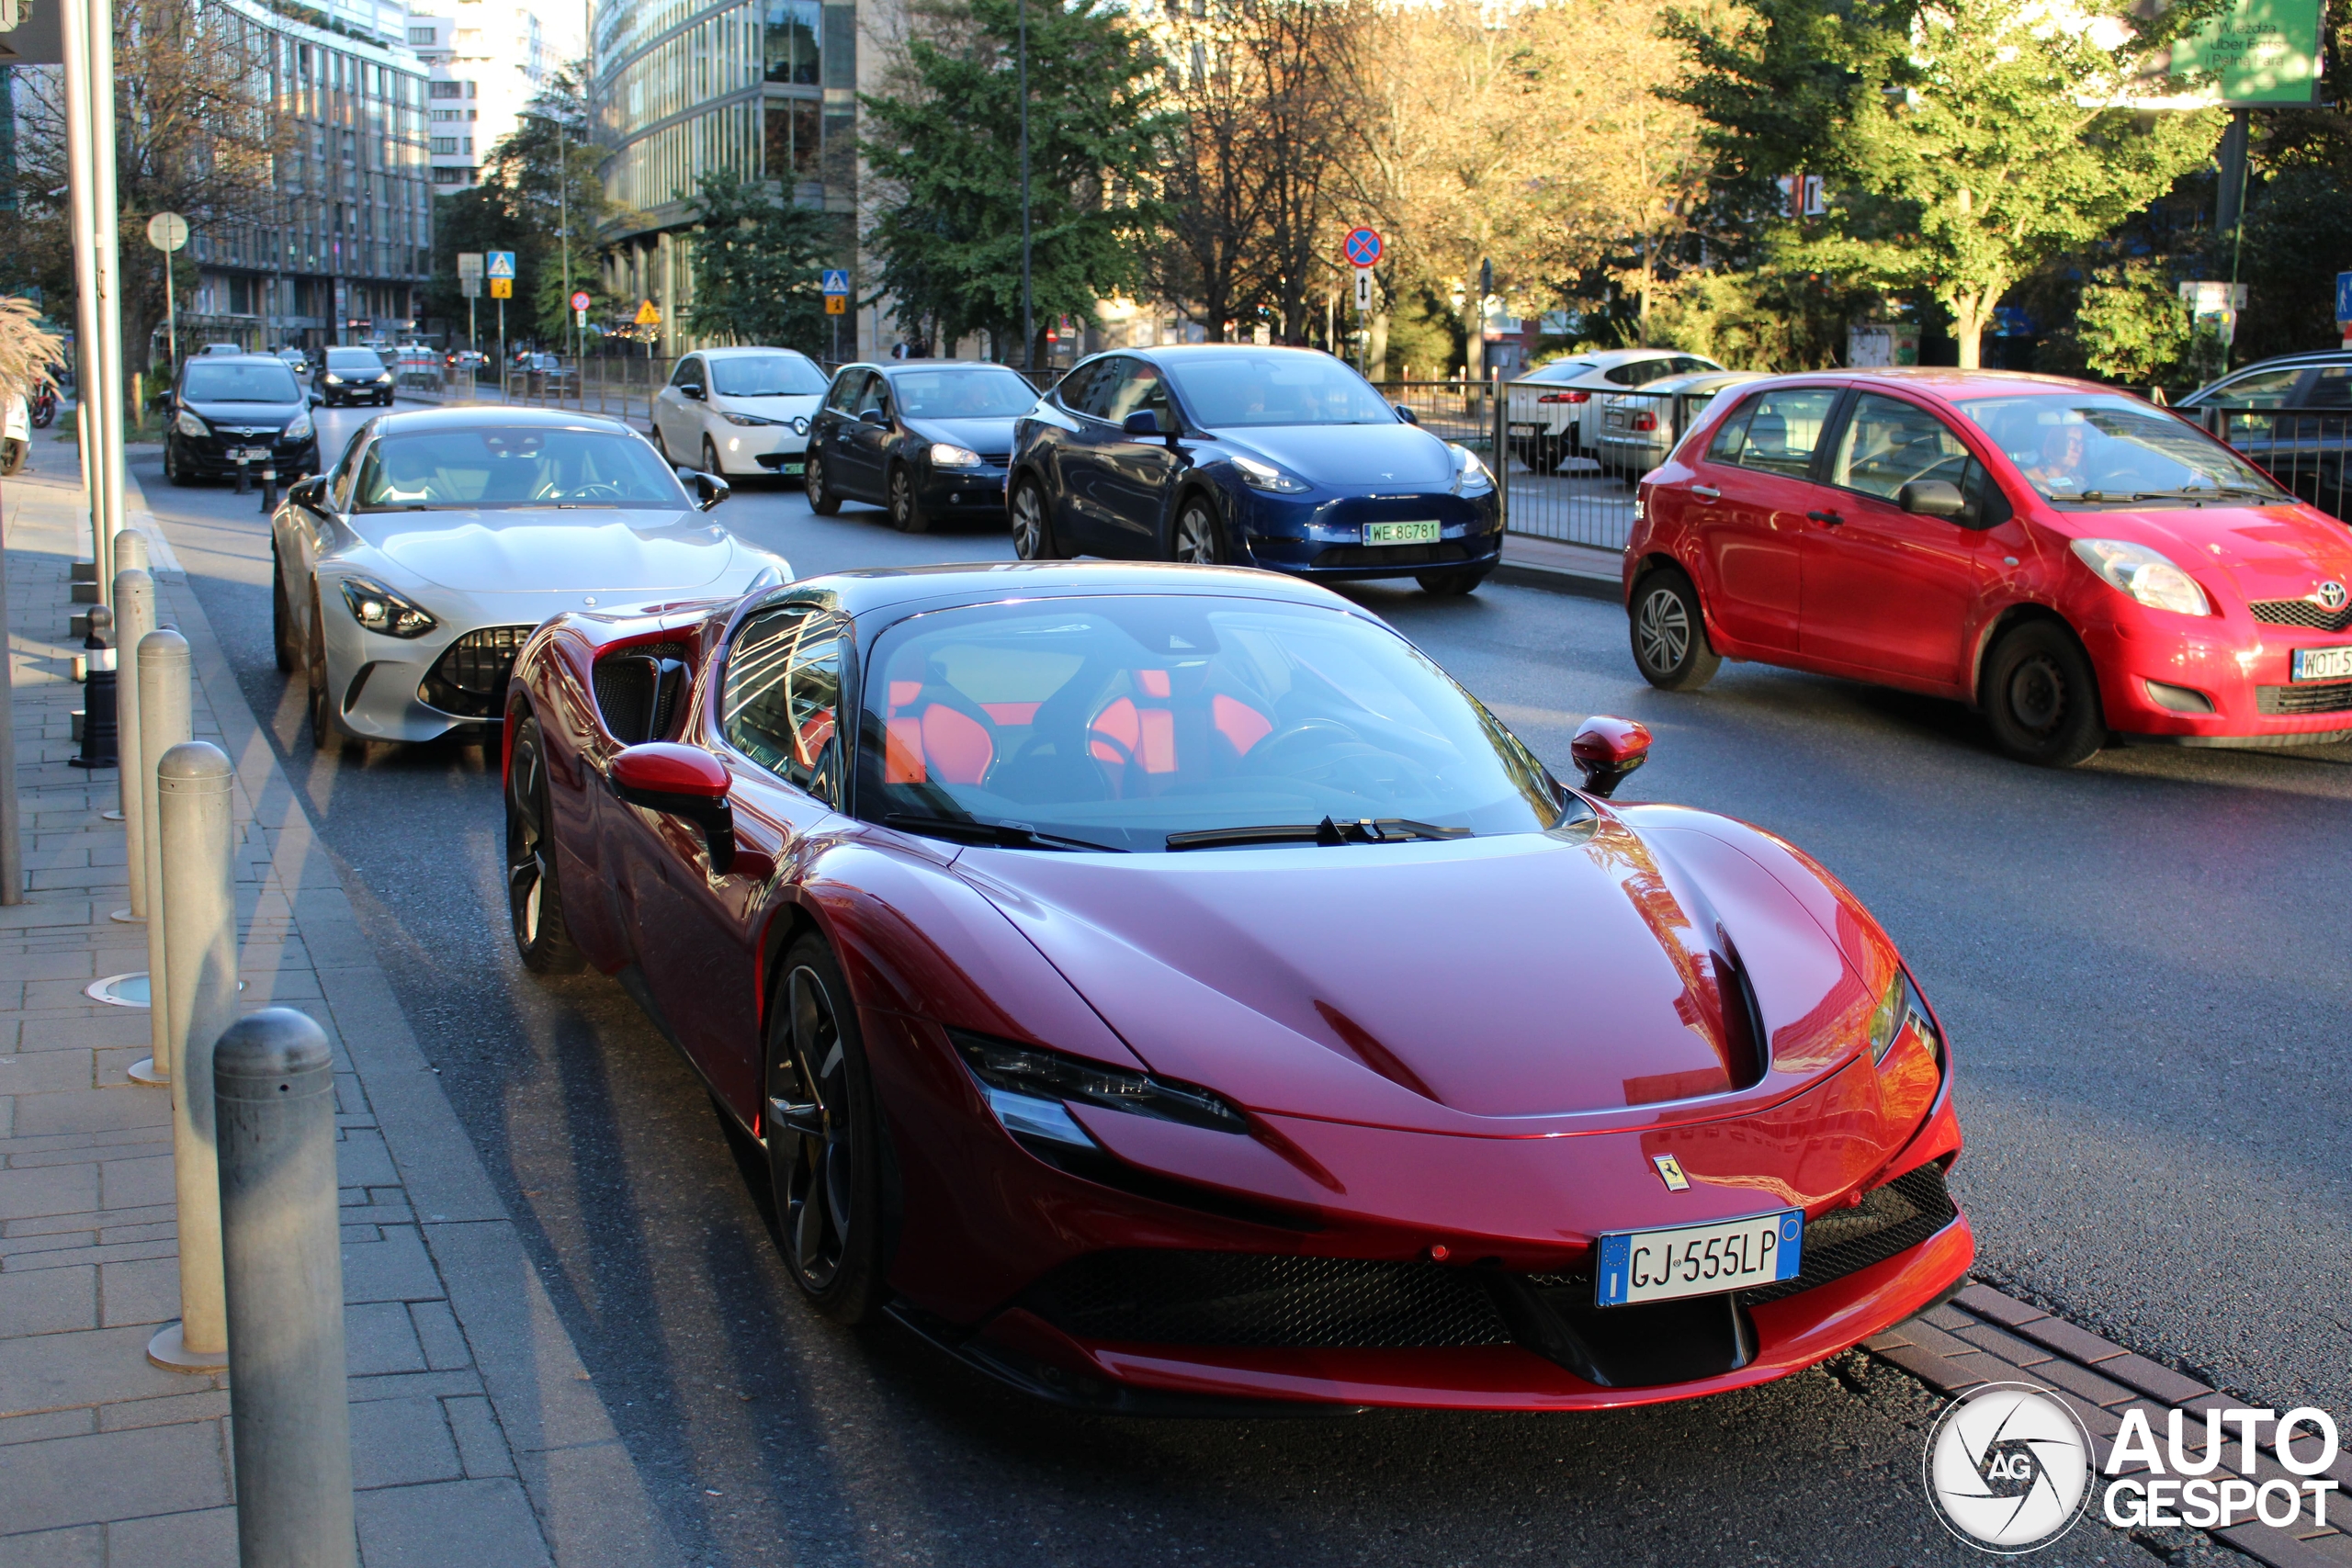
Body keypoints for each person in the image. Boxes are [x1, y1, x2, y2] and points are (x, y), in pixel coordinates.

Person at [2023, 420, 2088, 491]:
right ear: (2049, 446)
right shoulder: (2026, 481)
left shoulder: (2079, 482)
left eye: (2080, 444)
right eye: (2072, 442)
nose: (2078, 450)